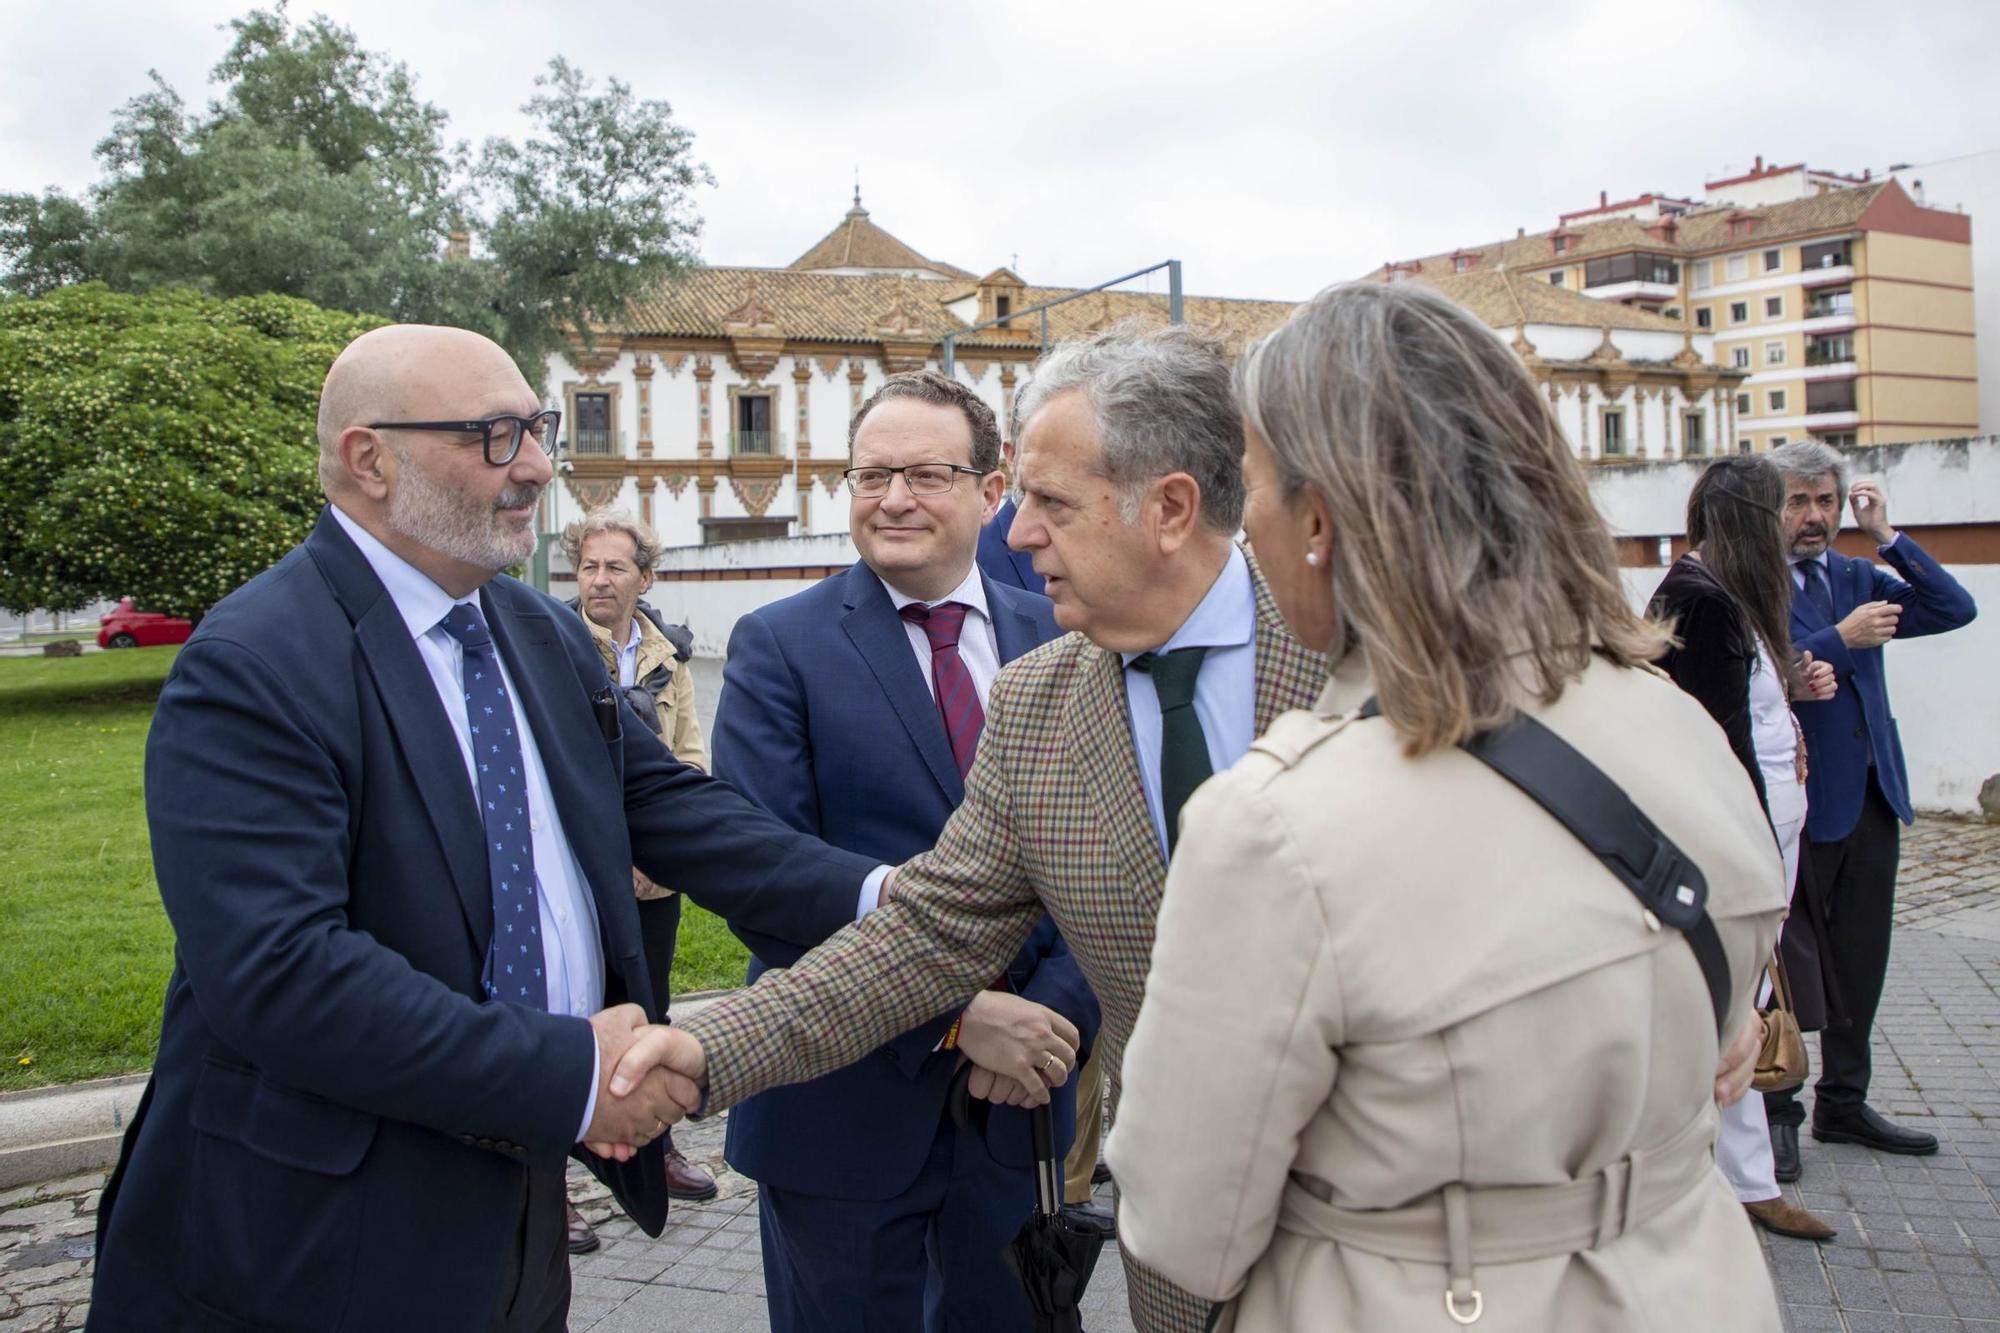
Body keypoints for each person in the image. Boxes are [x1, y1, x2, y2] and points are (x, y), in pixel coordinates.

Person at [85, 325, 885, 1333]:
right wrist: (573, 1075)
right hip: (318, 1227)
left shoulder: (535, 629)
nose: (540, 467)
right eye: (495, 436)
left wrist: (879, 896)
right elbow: (280, 971)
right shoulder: (251, 661)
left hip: (516, 1208)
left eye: (539, 430)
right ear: (368, 459)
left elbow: (665, 807)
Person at [1099, 281, 1788, 1330]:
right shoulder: (1677, 726)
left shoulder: (1281, 828)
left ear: (1319, 519)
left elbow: (1180, 1224)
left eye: (1256, 493)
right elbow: (1725, 1025)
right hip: (1695, 1283)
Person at [621, 323, 1330, 1331]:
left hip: (1407, 1222)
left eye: (1048, 502)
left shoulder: (1356, 658)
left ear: (1170, 508)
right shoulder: (1042, 701)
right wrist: (700, 1053)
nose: (1021, 534)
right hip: (1184, 1229)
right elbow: (929, 928)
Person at [711, 368, 1100, 1332]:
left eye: (925, 474)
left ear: (989, 486)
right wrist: (961, 1020)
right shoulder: (777, 648)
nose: (893, 499)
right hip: (836, 1109)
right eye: (871, 474)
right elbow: (766, 881)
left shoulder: (1064, 638)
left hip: (1016, 1106)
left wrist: (1047, 1016)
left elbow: (1112, 857)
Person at [1762, 441, 1977, 1176]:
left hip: (1873, 797)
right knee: (1787, 968)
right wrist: (1839, 639)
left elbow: (1955, 607)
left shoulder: (1859, 574)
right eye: (1799, 501)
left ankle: (1844, 1102)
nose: (1815, 515)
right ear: (1773, 509)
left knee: (1863, 959)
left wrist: (1889, 536)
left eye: (1826, 500)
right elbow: (1764, 675)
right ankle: (1776, 1107)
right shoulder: (1755, 585)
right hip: (1795, 801)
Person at [1651, 456, 1839, 1242]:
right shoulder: (1705, 602)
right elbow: (1717, 740)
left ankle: (1746, 1175)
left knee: (1746, 1005)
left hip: (1769, 832)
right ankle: (1738, 1180)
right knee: (1738, 1007)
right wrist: (1752, 847)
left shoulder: (1724, 599)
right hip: (1746, 840)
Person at [558, 507, 718, 1248]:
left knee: (648, 1001)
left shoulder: (668, 657)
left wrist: (661, 854)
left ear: (644, 578)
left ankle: (655, 1146)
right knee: (568, 1011)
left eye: (614, 566)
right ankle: (548, 1177)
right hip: (581, 871)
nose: (598, 579)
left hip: (654, 873)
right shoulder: (554, 648)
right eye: (588, 566)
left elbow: (687, 755)